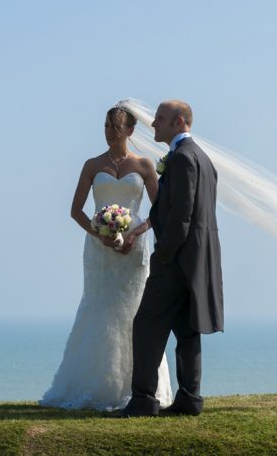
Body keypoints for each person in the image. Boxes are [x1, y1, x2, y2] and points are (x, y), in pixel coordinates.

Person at [40, 105, 173, 411]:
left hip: (133, 251)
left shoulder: (144, 165)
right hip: (98, 251)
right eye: (106, 126)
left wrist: (136, 233)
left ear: (129, 131)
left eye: (116, 127)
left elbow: (160, 211)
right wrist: (98, 233)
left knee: (133, 314)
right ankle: (93, 385)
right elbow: (75, 210)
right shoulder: (91, 165)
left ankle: (139, 388)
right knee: (97, 309)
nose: (110, 132)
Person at [120, 100, 224, 417]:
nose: (153, 124)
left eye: (160, 119)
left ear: (179, 122)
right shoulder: (202, 159)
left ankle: (143, 400)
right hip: (196, 262)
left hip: (175, 261)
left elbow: (182, 215)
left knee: (146, 324)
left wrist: (162, 254)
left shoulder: (182, 159)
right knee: (186, 329)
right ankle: (189, 398)